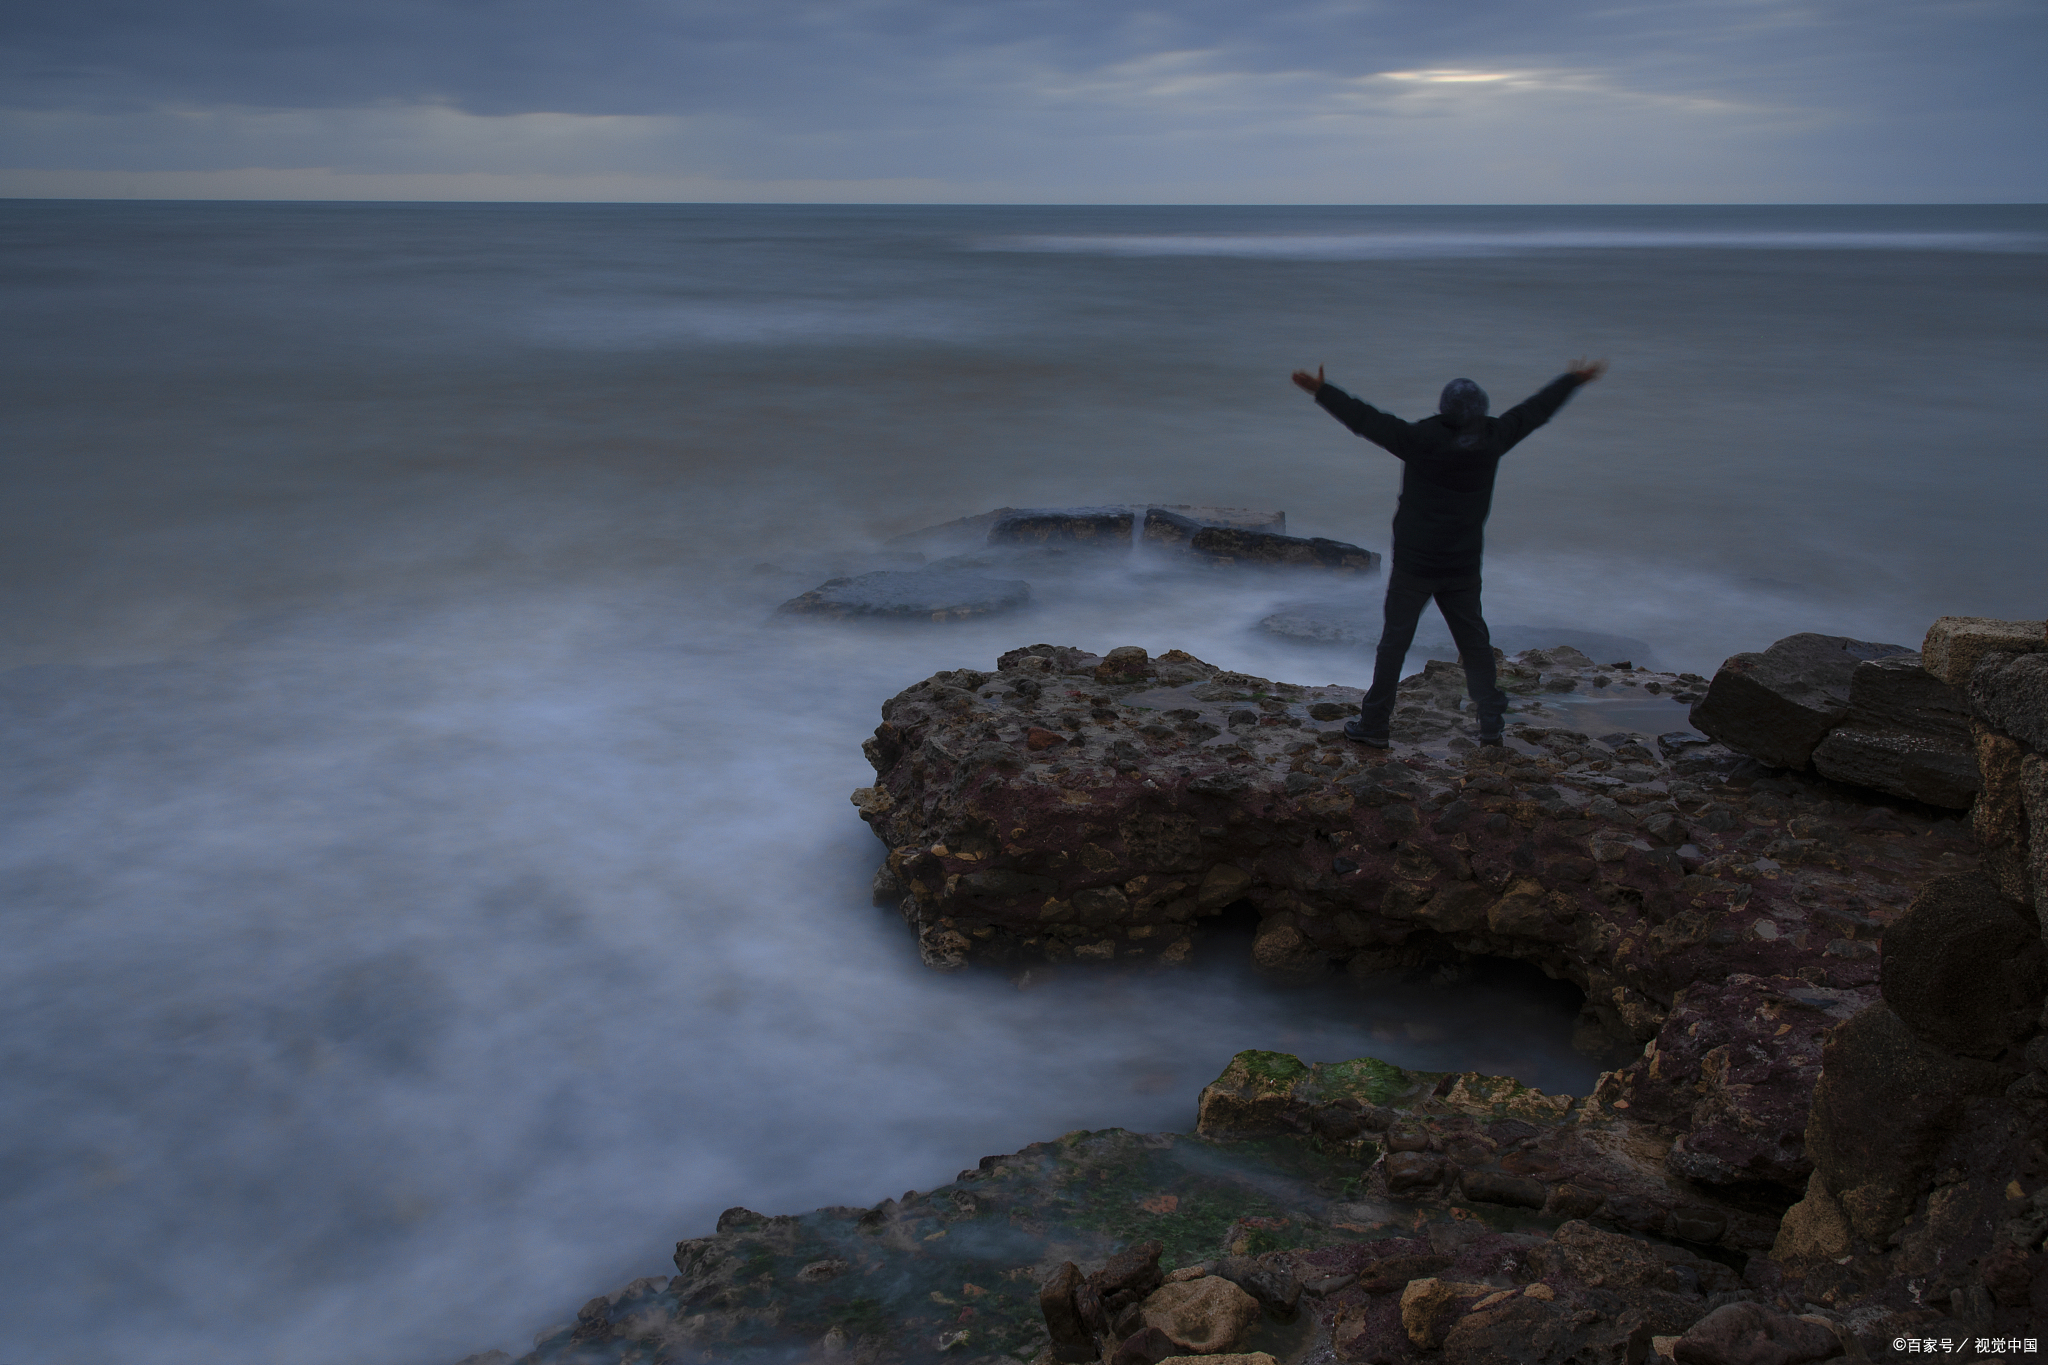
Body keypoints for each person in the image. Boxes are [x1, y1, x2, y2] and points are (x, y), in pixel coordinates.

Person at [1290, 358, 1608, 748]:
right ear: (1483, 410)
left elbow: (1366, 420)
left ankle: (1374, 725)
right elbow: (1535, 411)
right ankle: (1491, 723)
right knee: (1474, 644)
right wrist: (1572, 380)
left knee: (1394, 645)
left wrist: (1322, 391)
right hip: (1461, 566)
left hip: (1414, 565)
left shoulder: (1420, 439)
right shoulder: (1494, 438)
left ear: (1443, 409)